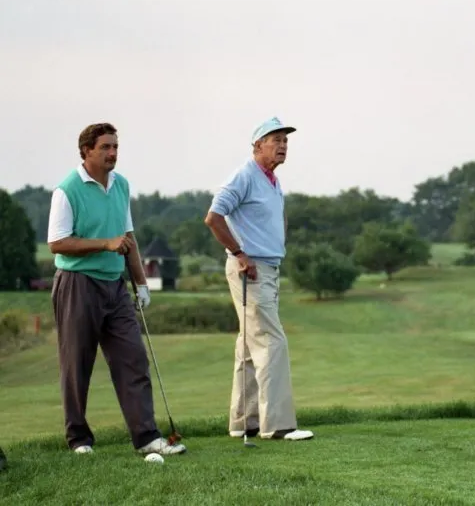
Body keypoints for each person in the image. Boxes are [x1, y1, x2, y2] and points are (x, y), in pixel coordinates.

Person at [47, 122, 187, 456]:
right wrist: (105, 244)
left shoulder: (121, 185)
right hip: (77, 285)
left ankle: (146, 436)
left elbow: (129, 238)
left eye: (115, 147)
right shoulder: (67, 190)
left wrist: (140, 282)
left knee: (133, 359)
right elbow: (57, 243)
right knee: (76, 364)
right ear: (86, 151)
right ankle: (79, 438)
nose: (112, 153)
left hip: (115, 286)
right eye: (106, 147)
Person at [205, 117, 313, 441]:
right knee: (271, 341)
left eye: (285, 141)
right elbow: (213, 217)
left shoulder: (271, 180)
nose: (282, 146)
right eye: (275, 139)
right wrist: (239, 253)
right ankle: (278, 425)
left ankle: (245, 422)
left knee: (250, 347)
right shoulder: (245, 176)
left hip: (266, 268)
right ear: (257, 146)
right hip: (249, 270)